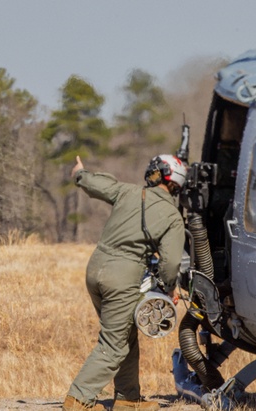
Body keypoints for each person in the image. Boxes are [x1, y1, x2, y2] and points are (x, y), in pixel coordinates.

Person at [62, 154, 187, 411]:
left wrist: (80, 173)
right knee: (114, 343)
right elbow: (171, 263)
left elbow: (95, 184)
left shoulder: (129, 192)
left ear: (158, 175)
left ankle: (128, 399)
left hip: (95, 269)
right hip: (123, 277)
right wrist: (170, 287)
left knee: (126, 335)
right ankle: (77, 400)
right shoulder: (173, 217)